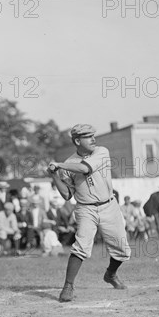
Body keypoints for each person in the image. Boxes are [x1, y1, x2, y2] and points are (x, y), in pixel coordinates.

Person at [47, 124, 131, 303]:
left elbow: (85, 168)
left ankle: (110, 274)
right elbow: (66, 195)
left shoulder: (101, 151)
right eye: (88, 137)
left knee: (122, 250)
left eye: (93, 135)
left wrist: (59, 165)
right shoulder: (69, 163)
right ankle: (68, 286)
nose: (93, 139)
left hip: (109, 205)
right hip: (86, 209)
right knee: (81, 246)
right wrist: (54, 175)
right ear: (77, 141)